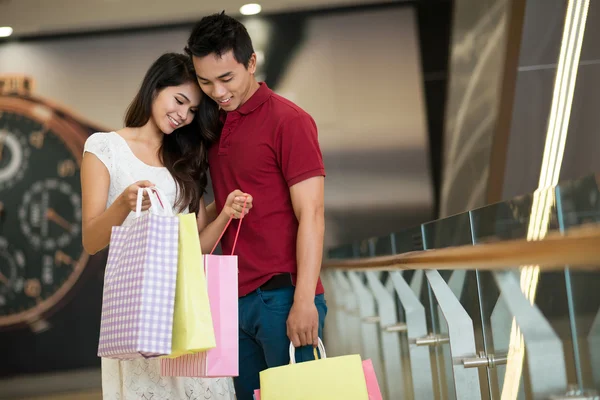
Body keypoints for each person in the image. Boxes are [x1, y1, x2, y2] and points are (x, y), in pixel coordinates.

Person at [80, 52, 252, 400]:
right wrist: (123, 205)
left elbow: (198, 247)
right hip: (140, 305)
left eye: (191, 111)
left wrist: (225, 213)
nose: (183, 115)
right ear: (155, 87)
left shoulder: (184, 160)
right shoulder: (105, 147)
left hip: (189, 304)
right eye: (179, 100)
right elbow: (91, 240)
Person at [186, 12, 327, 399]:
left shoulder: (289, 120)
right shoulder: (214, 127)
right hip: (229, 299)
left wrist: (303, 301)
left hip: (282, 296)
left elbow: (311, 214)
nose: (216, 91)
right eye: (205, 81)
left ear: (251, 63)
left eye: (226, 78)